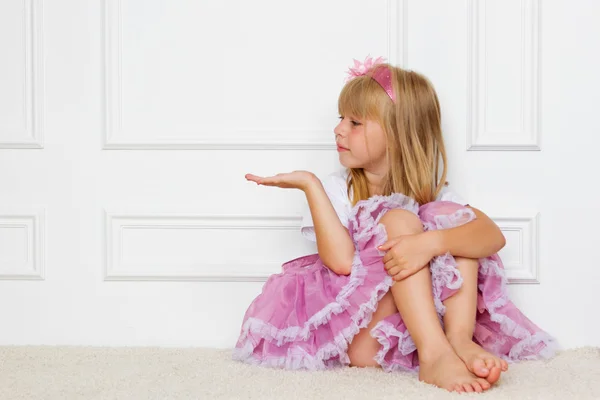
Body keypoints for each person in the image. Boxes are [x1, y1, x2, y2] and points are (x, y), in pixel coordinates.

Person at [232, 56, 556, 393]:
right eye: (341, 118)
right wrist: (310, 185)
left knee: (453, 224)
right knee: (402, 219)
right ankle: (434, 355)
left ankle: (457, 341)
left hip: (406, 334)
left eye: (355, 122)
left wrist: (430, 243)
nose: (339, 128)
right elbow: (341, 262)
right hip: (360, 336)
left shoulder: (433, 195)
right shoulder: (337, 188)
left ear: (398, 133)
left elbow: (491, 236)